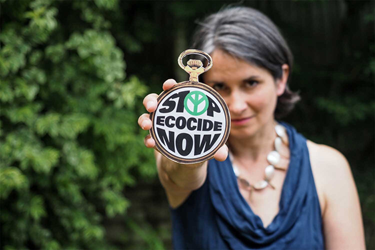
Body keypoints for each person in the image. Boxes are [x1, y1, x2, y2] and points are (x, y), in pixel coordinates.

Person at [138, 6, 365, 249]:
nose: (236, 105)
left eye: (251, 83)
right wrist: (184, 138)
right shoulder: (187, 153)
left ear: (281, 79)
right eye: (220, 86)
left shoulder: (329, 169)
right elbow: (181, 174)